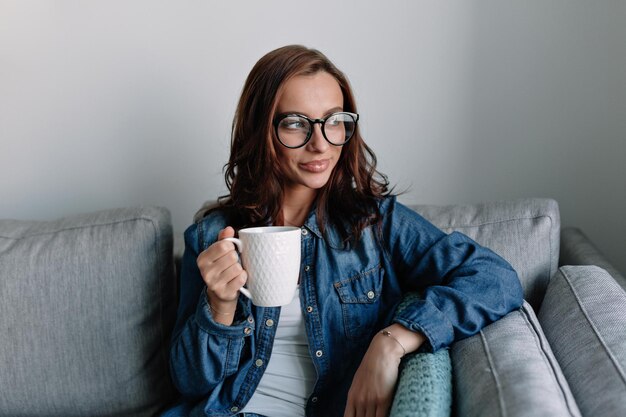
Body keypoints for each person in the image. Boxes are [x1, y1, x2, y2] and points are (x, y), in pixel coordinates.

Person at [165, 45, 523, 417]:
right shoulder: (212, 237)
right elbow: (189, 383)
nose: (320, 143)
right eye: (295, 123)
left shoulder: (376, 224)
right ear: (261, 130)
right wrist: (219, 307)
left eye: (334, 120)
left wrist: (393, 340)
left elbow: (495, 278)